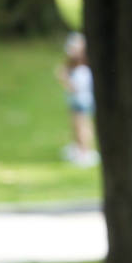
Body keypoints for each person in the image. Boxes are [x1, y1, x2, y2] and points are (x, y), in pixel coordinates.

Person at [56, 32, 98, 166]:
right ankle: (78, 149)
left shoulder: (83, 70)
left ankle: (85, 153)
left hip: (82, 102)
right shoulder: (76, 68)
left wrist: (63, 78)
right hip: (76, 102)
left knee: (82, 126)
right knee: (76, 125)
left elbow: (75, 88)